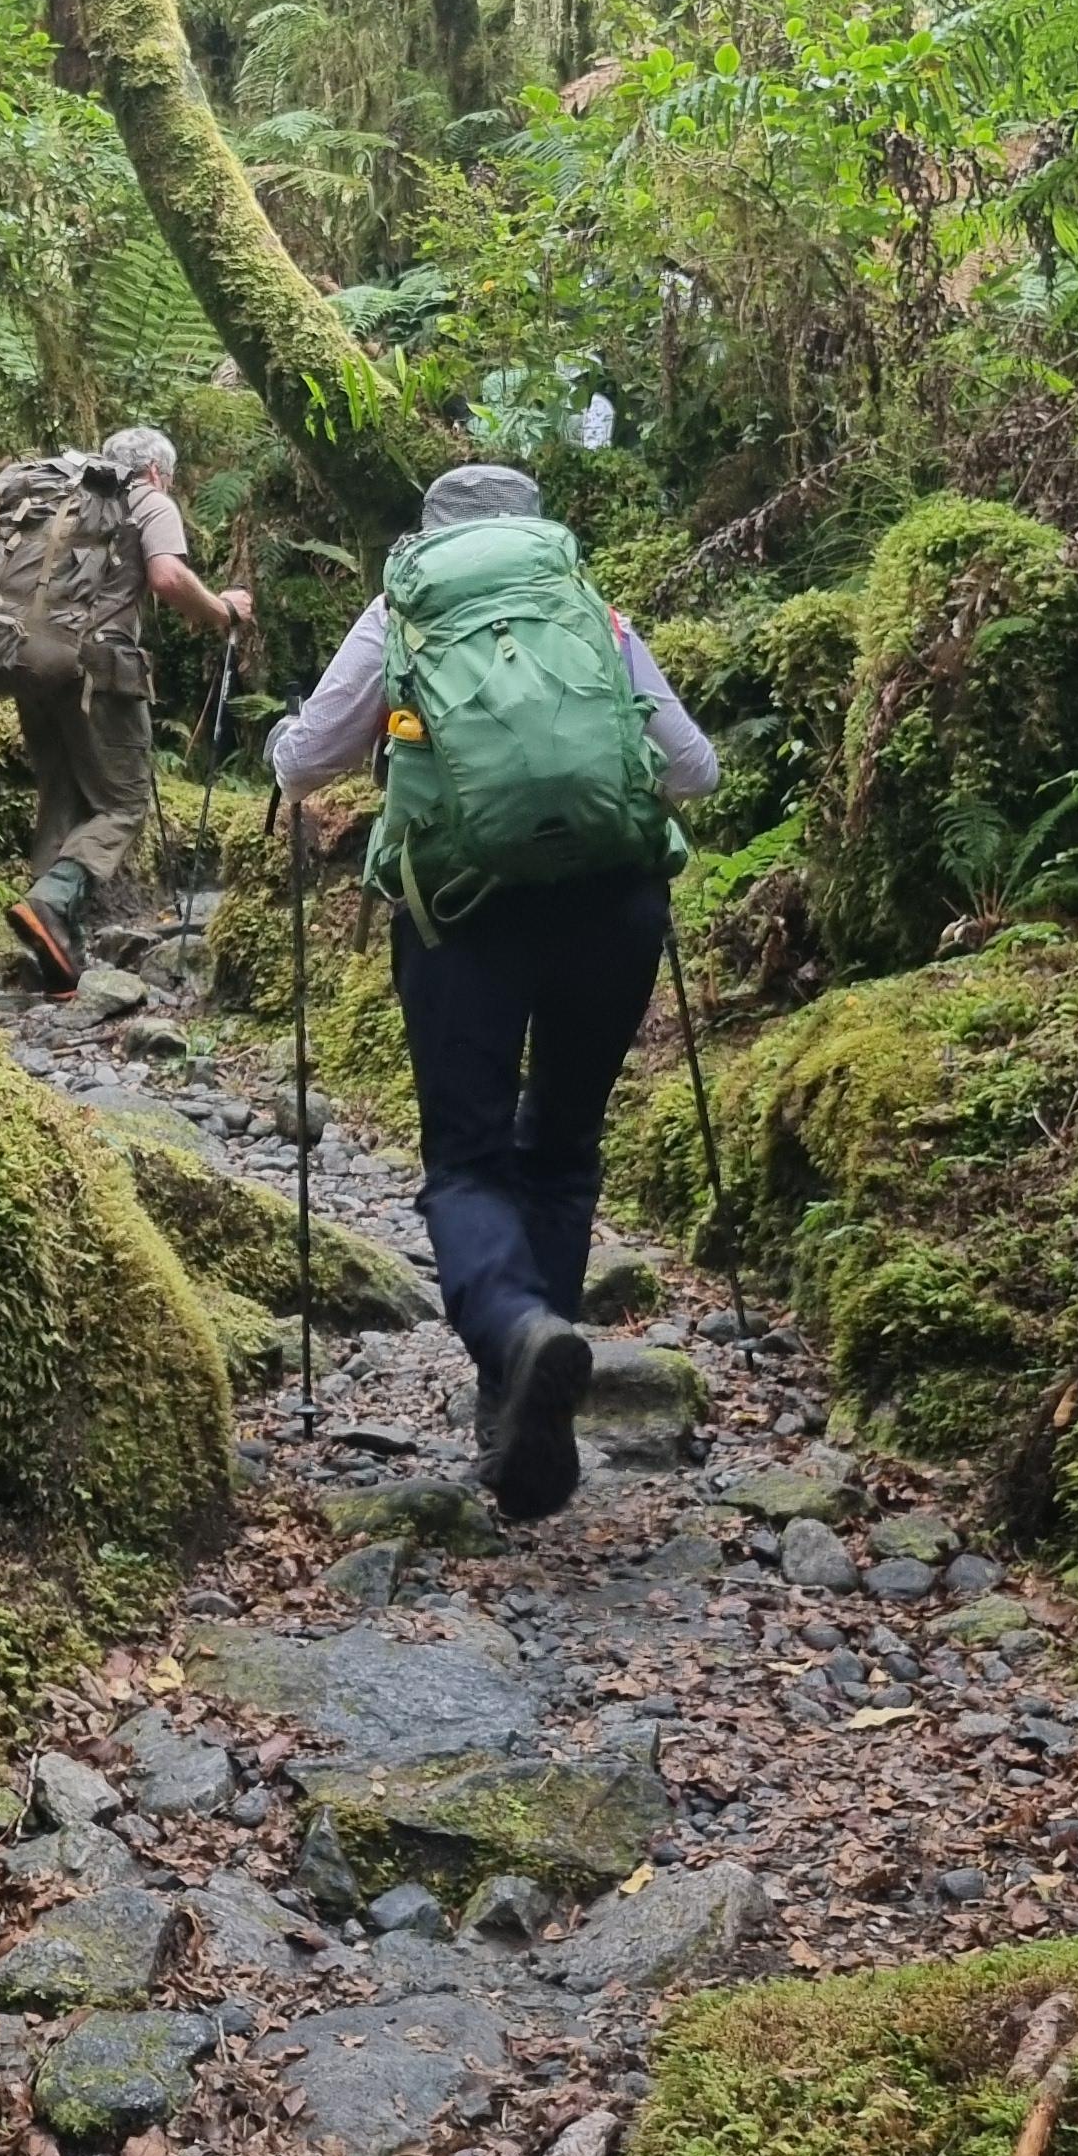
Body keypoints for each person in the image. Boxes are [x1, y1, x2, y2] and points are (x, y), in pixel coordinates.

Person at [268, 462, 717, 1521]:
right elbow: (693, 770)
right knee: (562, 1144)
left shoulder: (403, 612)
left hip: (463, 914)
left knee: (467, 1159)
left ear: (429, 536)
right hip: (613, 906)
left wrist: (286, 737)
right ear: (537, 530)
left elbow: (305, 763)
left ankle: (517, 1335)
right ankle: (523, 1394)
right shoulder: (588, 611)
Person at [0, 425, 253, 996]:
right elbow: (167, 577)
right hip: (99, 671)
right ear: (157, 471)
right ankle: (53, 899)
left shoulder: (64, 493)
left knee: (61, 795)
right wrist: (223, 610)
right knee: (122, 804)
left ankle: (56, 952)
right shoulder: (148, 499)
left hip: (32, 659)